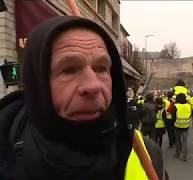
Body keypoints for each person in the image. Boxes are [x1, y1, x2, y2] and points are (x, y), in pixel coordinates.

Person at [0, 16, 165, 180]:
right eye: (69, 70)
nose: (93, 86)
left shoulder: (146, 153)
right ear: (37, 83)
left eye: (101, 68)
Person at [172, 93, 192, 161]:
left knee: (177, 141)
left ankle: (177, 154)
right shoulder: (188, 106)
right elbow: (190, 115)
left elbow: (173, 116)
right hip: (186, 125)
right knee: (185, 142)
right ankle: (184, 156)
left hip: (177, 125)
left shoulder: (176, 106)